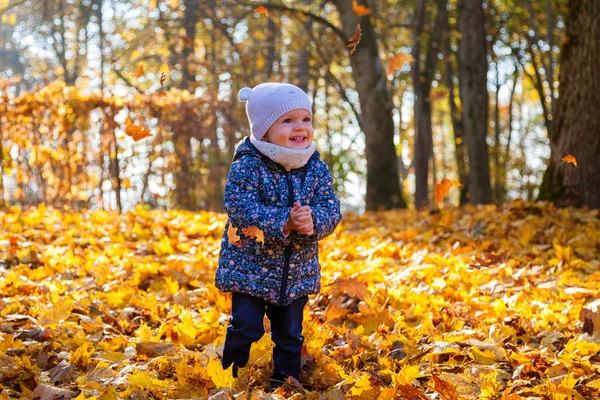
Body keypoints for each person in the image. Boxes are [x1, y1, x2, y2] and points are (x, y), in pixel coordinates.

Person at [215, 82, 342, 388]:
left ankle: (284, 385)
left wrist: (311, 222)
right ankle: (230, 376)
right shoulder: (248, 164)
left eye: (305, 120)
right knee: (246, 327)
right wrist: (284, 221)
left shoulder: (315, 167)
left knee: (289, 335)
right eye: (288, 121)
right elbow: (239, 206)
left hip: (296, 271)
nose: (300, 128)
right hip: (250, 269)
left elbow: (330, 208)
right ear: (264, 130)